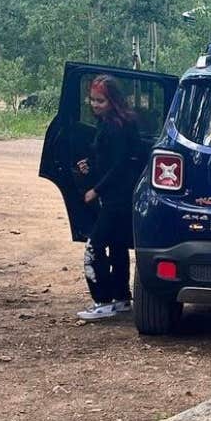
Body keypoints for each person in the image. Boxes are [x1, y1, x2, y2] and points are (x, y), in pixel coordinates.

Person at [75, 75, 141, 322]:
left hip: (116, 198)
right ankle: (122, 297)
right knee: (117, 245)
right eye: (92, 99)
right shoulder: (109, 123)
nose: (95, 104)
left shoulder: (116, 127)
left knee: (94, 246)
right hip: (120, 195)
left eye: (100, 100)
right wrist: (90, 165)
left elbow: (120, 165)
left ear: (112, 100)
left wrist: (96, 190)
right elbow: (107, 158)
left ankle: (102, 300)